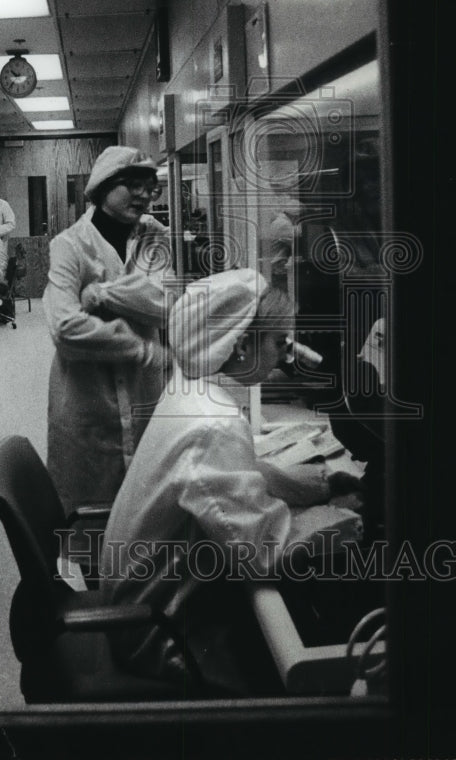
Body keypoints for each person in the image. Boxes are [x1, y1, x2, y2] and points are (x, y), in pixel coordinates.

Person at [99, 268, 364, 694]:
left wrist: (322, 483)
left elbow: (247, 472)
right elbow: (263, 553)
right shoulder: (214, 424)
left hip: (144, 604)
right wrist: (345, 522)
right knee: (296, 677)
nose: (286, 354)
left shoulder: (192, 388)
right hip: (163, 633)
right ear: (240, 346)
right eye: (279, 342)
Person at [43, 145, 174, 515]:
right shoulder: (69, 245)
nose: (144, 195)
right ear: (103, 187)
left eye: (150, 187)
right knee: (88, 511)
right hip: (86, 397)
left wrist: (100, 293)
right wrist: (142, 350)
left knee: (147, 508)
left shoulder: (154, 237)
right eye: (133, 185)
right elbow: (66, 328)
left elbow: (165, 304)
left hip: (144, 391)